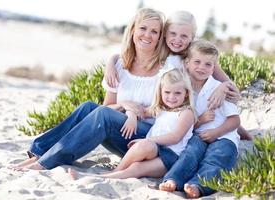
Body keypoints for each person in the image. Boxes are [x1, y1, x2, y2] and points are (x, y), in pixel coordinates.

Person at [10, 7, 169, 171]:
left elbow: (168, 110)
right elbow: (108, 106)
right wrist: (125, 105)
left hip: (147, 140)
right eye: (143, 28)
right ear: (133, 30)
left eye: (154, 32)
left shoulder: (165, 69)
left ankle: (47, 162)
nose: (147, 35)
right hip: (123, 133)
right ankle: (39, 153)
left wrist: (136, 112)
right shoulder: (120, 66)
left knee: (103, 115)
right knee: (88, 107)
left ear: (159, 38)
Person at [104, 10, 252, 140]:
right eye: (172, 34)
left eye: (184, 36)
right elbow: (128, 54)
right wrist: (111, 62)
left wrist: (223, 88)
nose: (177, 40)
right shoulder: (163, 52)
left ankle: (238, 129)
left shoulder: (196, 53)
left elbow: (232, 89)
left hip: (196, 102)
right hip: (182, 104)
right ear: (164, 34)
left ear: (192, 38)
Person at [71, 68, 196, 179]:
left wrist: (149, 140)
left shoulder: (186, 113)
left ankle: (107, 174)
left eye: (177, 93)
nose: (171, 97)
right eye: (167, 92)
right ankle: (113, 171)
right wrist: (131, 117)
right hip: (155, 149)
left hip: (171, 157)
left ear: (186, 94)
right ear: (161, 92)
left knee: (137, 166)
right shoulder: (160, 109)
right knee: (145, 146)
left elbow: (175, 137)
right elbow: (137, 111)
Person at [159, 40, 240, 198]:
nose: (202, 67)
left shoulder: (219, 88)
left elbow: (235, 121)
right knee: (190, 153)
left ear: (214, 68)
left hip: (224, 136)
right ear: (187, 63)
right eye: (197, 62)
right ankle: (173, 180)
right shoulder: (183, 89)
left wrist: (217, 132)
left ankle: (198, 185)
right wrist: (200, 121)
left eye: (208, 64)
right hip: (198, 134)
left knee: (218, 157)